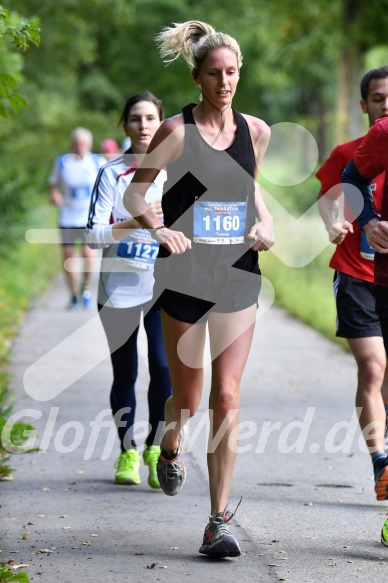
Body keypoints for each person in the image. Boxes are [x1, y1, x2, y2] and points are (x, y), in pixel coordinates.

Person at [122, 21, 274, 558]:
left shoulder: (256, 131)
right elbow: (136, 197)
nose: (225, 82)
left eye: (232, 72)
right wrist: (159, 229)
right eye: (215, 73)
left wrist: (266, 223)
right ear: (197, 77)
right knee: (186, 401)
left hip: (237, 274)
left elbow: (253, 189)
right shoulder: (176, 131)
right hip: (185, 274)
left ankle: (217, 521)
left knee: (226, 396)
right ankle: (168, 443)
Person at [86, 92, 172, 489]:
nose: (143, 125)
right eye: (135, 118)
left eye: (150, 118)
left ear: (161, 123)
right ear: (125, 125)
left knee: (163, 366)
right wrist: (140, 221)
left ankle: (156, 448)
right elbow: (92, 237)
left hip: (162, 286)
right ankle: (127, 450)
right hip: (116, 289)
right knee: (126, 372)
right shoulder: (111, 174)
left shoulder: (175, 171)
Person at [317, 66, 388, 490]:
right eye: (378, 97)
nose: (386, 104)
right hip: (356, 272)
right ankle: (381, 463)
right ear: (364, 104)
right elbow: (330, 197)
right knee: (373, 365)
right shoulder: (349, 152)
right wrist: (335, 224)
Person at [342, 110, 388, 504]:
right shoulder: (382, 134)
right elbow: (348, 181)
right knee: (375, 368)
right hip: (368, 276)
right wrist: (369, 222)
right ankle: (381, 460)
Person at [48, 127, 106, 310]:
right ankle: (73, 294)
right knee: (68, 258)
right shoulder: (62, 162)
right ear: (72, 144)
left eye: (83, 144)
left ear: (89, 145)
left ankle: (86, 286)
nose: (80, 147)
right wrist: (55, 194)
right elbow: (52, 183)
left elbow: (109, 185)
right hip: (68, 218)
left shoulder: (98, 162)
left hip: (90, 218)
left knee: (89, 254)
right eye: (76, 143)